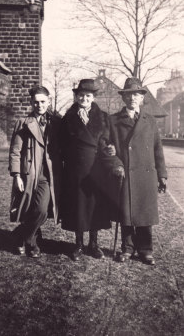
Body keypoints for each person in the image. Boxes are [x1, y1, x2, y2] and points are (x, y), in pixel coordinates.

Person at [100, 77, 167, 265]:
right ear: (124, 98)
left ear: (142, 97)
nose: (132, 98)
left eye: (136, 94)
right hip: (125, 173)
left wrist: (162, 174)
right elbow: (105, 144)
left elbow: (158, 149)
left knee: (145, 213)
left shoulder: (150, 120)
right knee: (126, 214)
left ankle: (146, 250)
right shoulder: (113, 120)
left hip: (146, 173)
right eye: (129, 95)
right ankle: (127, 248)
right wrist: (115, 161)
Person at [60, 79, 113, 261]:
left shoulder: (103, 117)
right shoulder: (68, 117)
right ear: (76, 96)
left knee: (95, 207)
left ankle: (94, 244)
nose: (84, 98)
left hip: (96, 170)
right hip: (75, 170)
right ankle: (79, 245)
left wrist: (108, 149)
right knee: (78, 207)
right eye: (81, 95)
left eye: (88, 95)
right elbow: (63, 145)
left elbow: (106, 140)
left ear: (93, 97)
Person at [9, 85, 62, 258]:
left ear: (49, 101)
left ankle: (20, 235)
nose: (40, 105)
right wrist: (17, 175)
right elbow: (15, 151)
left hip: (48, 175)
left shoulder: (56, 123)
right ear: (31, 102)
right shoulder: (23, 123)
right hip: (29, 173)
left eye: (43, 101)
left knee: (42, 210)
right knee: (28, 208)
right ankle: (31, 243)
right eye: (36, 102)